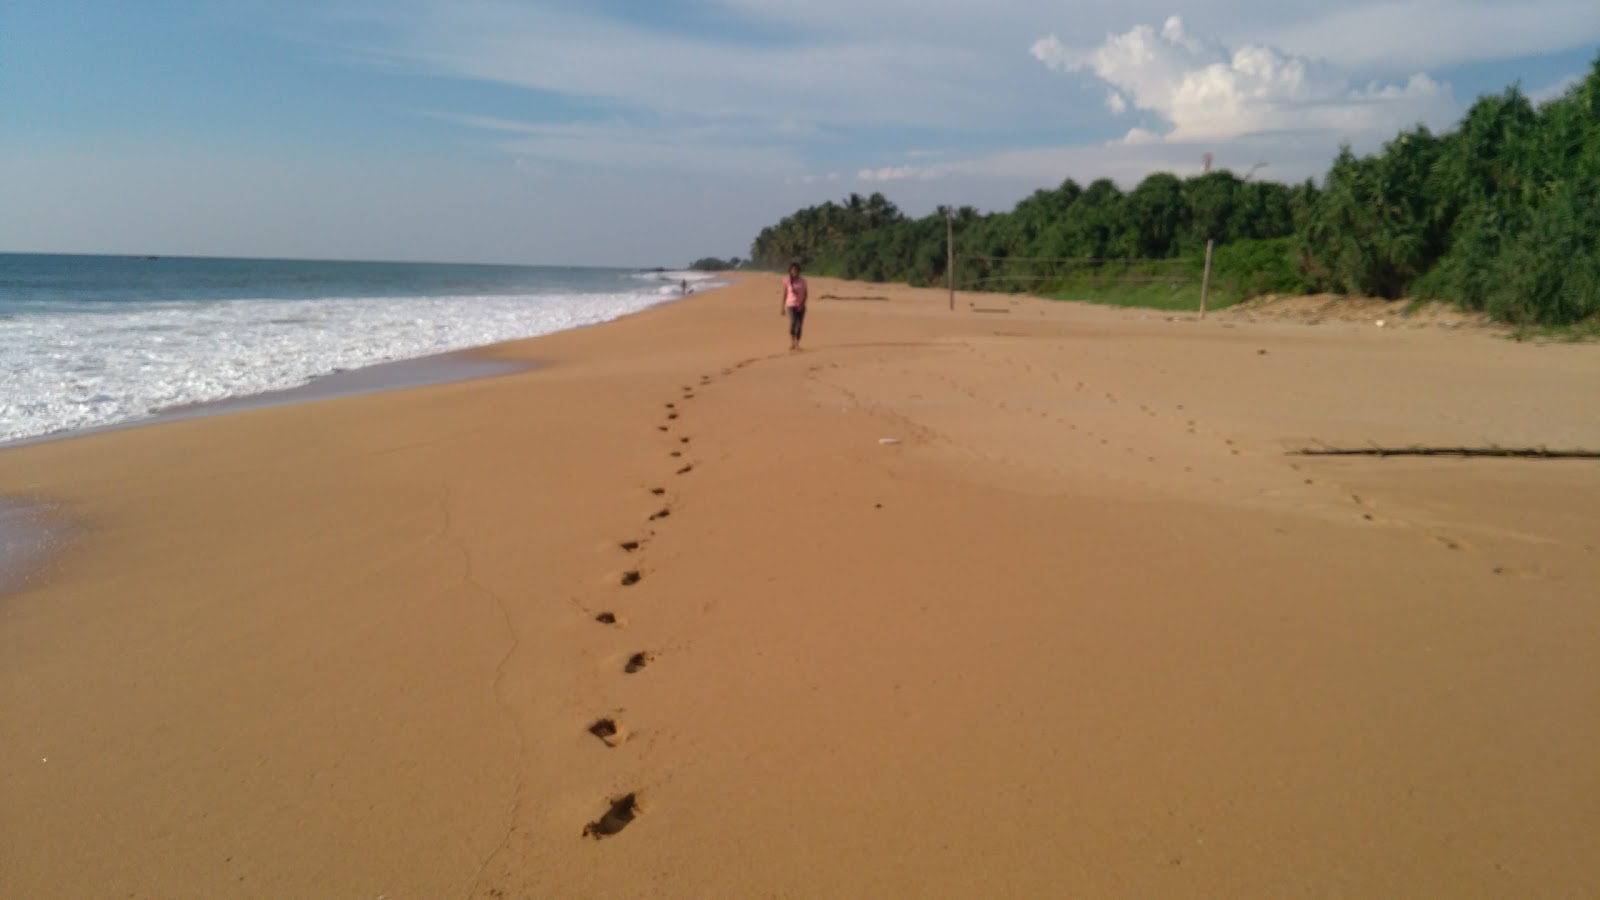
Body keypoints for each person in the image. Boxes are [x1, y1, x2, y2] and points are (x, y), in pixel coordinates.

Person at [780, 263, 808, 350]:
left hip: (801, 305)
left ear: (799, 271)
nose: (794, 271)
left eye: (796, 270)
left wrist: (802, 304)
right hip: (791, 305)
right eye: (793, 270)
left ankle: (797, 343)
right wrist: (782, 307)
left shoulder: (803, 281)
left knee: (799, 325)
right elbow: (785, 294)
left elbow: (806, 293)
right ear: (790, 271)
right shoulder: (787, 281)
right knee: (793, 323)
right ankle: (792, 342)